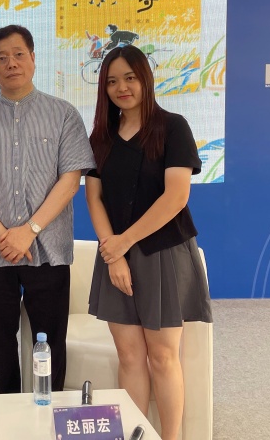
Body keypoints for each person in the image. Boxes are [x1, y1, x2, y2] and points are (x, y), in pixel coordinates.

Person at [0, 24, 93, 394]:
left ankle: (47, 411)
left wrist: (28, 231)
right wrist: (4, 235)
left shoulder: (63, 114)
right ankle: (2, 415)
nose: (11, 63)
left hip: (48, 248)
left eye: (18, 55)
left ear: (33, 58)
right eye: (1, 58)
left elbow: (70, 180)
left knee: (50, 341)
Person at [85, 45, 212, 440]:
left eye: (130, 77)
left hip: (162, 253)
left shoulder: (172, 127)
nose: (121, 87)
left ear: (145, 79)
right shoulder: (101, 137)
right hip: (115, 256)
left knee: (162, 357)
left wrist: (124, 242)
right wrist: (113, 255)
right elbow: (94, 199)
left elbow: (176, 197)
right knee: (129, 356)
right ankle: (136, 434)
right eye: (111, 81)